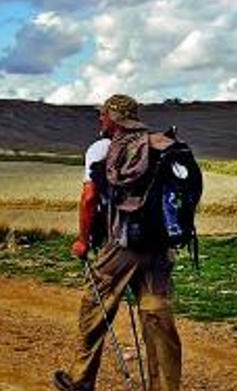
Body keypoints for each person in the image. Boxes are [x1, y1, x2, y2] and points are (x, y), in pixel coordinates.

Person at [54, 94, 182, 391]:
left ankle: (80, 380)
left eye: (103, 115)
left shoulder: (101, 149)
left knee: (94, 309)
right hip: (160, 247)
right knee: (157, 316)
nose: (100, 120)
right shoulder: (160, 145)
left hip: (122, 245)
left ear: (114, 118)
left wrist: (83, 241)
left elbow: (88, 198)